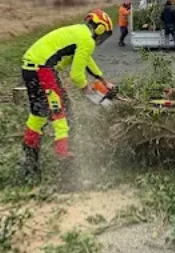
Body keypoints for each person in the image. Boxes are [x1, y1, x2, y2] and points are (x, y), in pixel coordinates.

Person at [21, 9, 114, 178]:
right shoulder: (87, 39)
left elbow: (85, 60)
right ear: (100, 29)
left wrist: (102, 80)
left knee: (39, 114)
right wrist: (87, 90)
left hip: (30, 67)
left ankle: (30, 164)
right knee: (62, 112)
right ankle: (65, 162)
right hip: (43, 70)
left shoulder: (80, 32)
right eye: (105, 34)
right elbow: (76, 75)